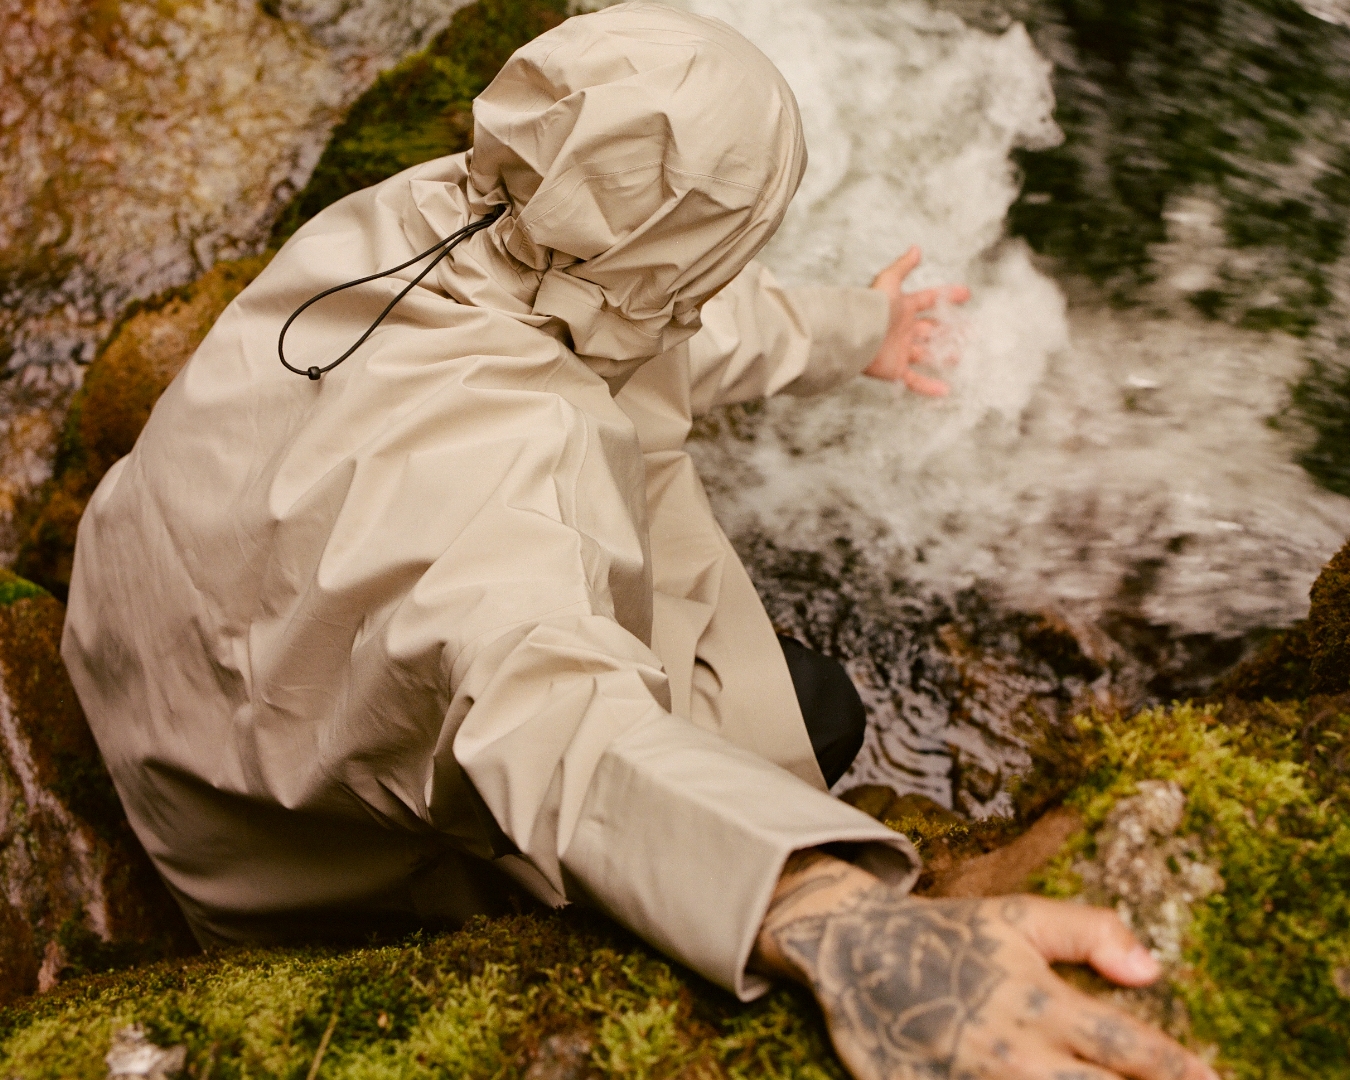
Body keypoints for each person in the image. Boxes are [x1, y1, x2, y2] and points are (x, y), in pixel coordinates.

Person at [61, 4, 1217, 1077]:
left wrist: (854, 328)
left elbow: (650, 316)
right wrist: (823, 911)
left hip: (131, 649)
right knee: (816, 709)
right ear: (687, 262)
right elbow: (558, 723)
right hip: (265, 856)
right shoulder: (492, 496)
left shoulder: (442, 209)